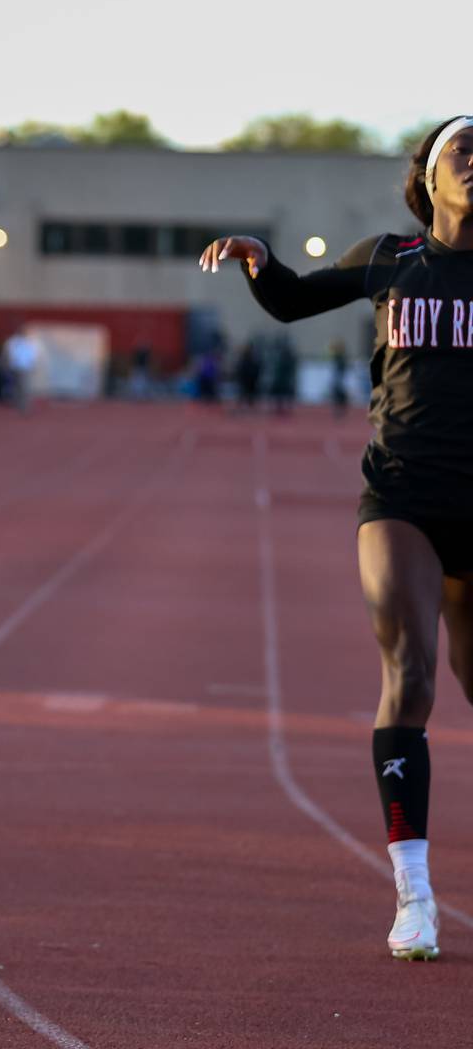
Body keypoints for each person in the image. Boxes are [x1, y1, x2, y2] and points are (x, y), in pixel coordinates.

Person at [198, 115, 473, 961]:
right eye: (467, 150)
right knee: (412, 674)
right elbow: (292, 299)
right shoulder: (390, 260)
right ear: (429, 176)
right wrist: (258, 262)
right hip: (402, 496)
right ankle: (414, 893)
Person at [0, 323, 40, 413]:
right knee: (16, 386)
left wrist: (32, 364)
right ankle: (18, 404)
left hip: (25, 367)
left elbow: (33, 354)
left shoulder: (29, 342)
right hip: (15, 366)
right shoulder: (13, 341)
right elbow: (8, 353)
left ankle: (25, 406)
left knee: (24, 386)